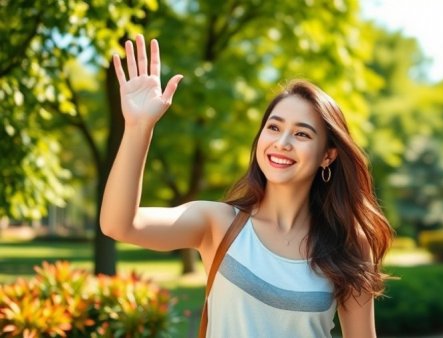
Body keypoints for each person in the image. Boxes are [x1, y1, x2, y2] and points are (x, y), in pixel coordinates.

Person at [100, 34, 394, 338]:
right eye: (274, 127)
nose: (282, 143)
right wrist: (138, 128)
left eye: (302, 134)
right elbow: (120, 225)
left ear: (327, 156)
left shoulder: (347, 244)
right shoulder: (218, 224)